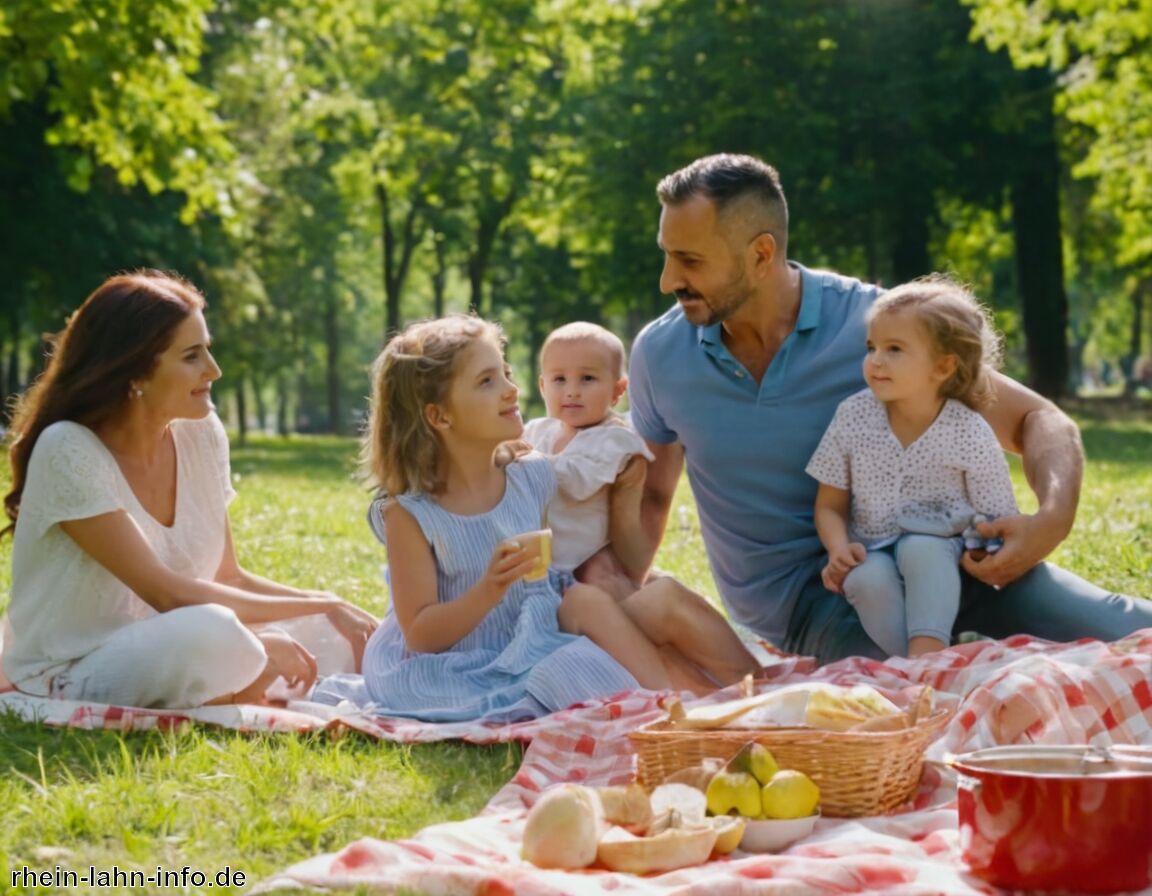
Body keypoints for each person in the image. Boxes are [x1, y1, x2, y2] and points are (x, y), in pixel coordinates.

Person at [625, 152, 1152, 665]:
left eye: (689, 260)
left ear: (761, 254)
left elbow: (1040, 420)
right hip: (815, 603)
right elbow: (649, 497)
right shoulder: (660, 354)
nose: (668, 281)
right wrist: (608, 601)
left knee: (1129, 634)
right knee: (930, 691)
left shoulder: (878, 326)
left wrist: (1052, 520)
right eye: (666, 254)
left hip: (953, 561)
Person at [347, 314, 759, 722]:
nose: (512, 390)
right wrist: (490, 588)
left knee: (614, 599)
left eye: (505, 373)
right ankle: (681, 708)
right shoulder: (410, 513)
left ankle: (727, 696)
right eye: (487, 381)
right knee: (573, 655)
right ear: (439, 417)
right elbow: (421, 634)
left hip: (531, 629)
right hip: (457, 662)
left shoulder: (533, 475)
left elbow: (546, 583)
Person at [0, 270, 379, 708]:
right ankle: (247, 677)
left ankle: (246, 679)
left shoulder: (200, 433)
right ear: (134, 371)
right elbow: (167, 593)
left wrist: (329, 608)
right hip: (72, 671)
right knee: (215, 632)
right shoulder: (66, 447)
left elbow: (227, 576)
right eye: (191, 356)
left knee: (343, 631)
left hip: (178, 633)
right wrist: (302, 613)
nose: (213, 370)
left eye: (208, 351)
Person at [806, 277, 1019, 657]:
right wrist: (838, 548)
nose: (876, 360)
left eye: (894, 349)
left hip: (945, 549)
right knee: (867, 578)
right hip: (872, 548)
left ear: (943, 367)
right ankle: (914, 668)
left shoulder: (968, 430)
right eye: (871, 347)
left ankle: (928, 655)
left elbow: (997, 514)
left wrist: (981, 552)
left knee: (921, 548)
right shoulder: (853, 415)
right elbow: (829, 504)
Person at [523, 321, 655, 590]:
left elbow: (575, 482)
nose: (571, 390)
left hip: (585, 566)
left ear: (618, 390)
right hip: (542, 562)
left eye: (587, 378)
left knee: (608, 595)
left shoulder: (616, 439)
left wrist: (521, 458)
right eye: (559, 379)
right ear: (542, 386)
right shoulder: (537, 431)